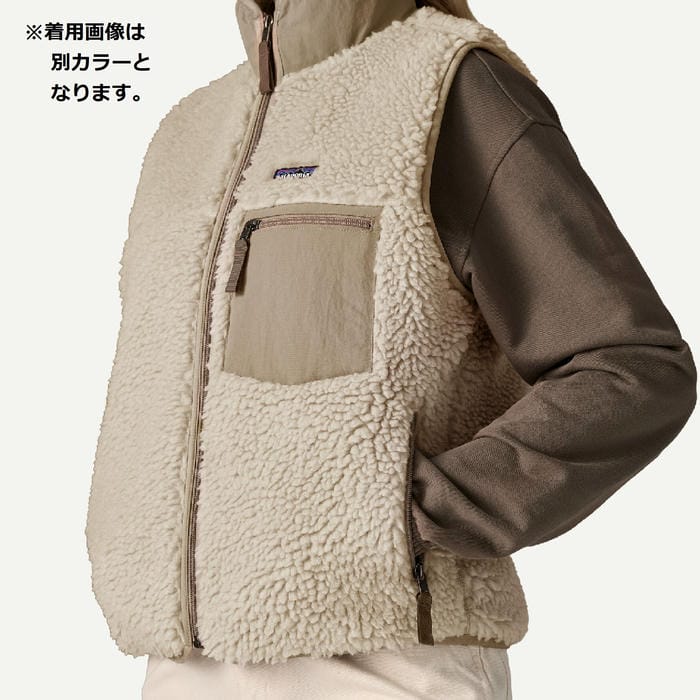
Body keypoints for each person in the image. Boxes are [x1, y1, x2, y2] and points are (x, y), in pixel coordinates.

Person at [84, 2, 696, 699]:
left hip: (386, 660)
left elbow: (632, 364)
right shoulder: (185, 130)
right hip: (180, 664)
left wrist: (411, 511)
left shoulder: (448, 87)